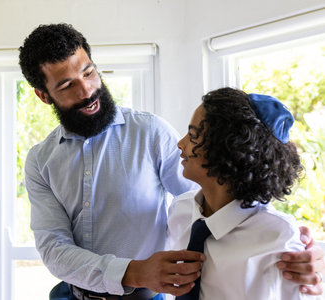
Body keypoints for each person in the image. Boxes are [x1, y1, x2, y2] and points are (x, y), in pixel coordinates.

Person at [18, 23, 324, 299]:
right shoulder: (40, 161)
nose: (87, 90)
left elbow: (219, 195)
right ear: (44, 96)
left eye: (88, 72)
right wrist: (136, 271)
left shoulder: (150, 132)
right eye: (67, 85)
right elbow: (54, 248)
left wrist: (298, 242)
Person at [167, 87, 323, 299]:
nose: (180, 144)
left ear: (226, 151)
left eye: (193, 135)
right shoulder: (180, 210)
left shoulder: (277, 239)